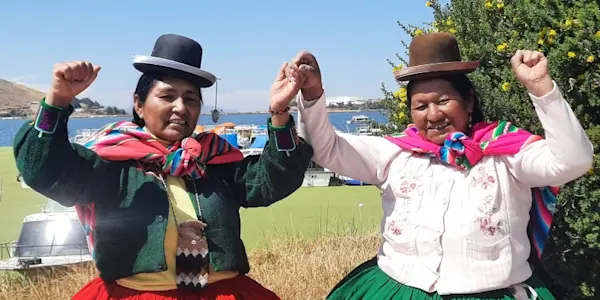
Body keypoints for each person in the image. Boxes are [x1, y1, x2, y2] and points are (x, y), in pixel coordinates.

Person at [281, 32, 594, 299]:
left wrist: (542, 89)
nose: (432, 114)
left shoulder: (507, 152)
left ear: (469, 101)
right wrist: (311, 95)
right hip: (399, 288)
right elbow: (326, 148)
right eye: (421, 105)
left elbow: (573, 161)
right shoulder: (394, 154)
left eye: (443, 100)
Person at [13, 33, 313, 299]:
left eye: (191, 99)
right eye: (167, 96)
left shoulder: (215, 161)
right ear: (139, 105)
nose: (180, 108)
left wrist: (279, 112)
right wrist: (57, 100)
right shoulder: (109, 165)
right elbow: (47, 171)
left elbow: (274, 179)